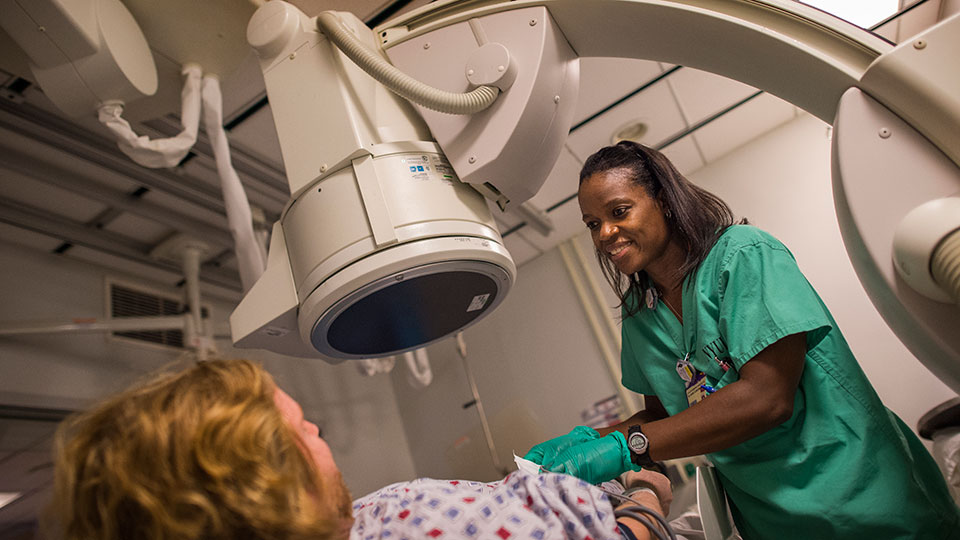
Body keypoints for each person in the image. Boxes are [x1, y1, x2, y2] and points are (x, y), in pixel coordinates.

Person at [523, 141, 960, 539]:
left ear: (663, 201)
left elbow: (767, 398)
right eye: (593, 223)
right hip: (771, 521)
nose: (604, 235)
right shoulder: (641, 315)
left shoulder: (744, 256)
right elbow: (663, 416)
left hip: (861, 496)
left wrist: (627, 446)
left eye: (619, 212)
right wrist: (589, 438)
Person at [50, 357, 674, 540]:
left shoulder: (356, 518)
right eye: (303, 429)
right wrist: (646, 499)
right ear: (266, 491)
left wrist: (528, 480)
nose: (319, 432)